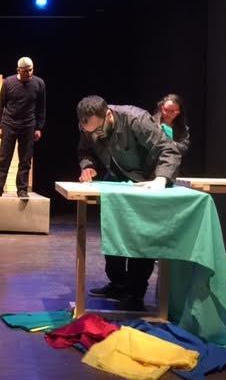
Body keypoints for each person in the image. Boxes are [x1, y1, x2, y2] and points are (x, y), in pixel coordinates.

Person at [76, 95, 181, 311]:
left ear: (108, 115)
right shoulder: (88, 125)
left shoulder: (135, 119)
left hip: (146, 181)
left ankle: (135, 293)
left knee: (140, 237)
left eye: (98, 130)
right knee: (113, 230)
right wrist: (88, 166)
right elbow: (85, 151)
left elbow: (169, 150)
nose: (95, 135)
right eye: (90, 131)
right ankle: (117, 284)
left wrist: (161, 179)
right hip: (117, 180)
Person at [0, 56, 46, 199]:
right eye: (26, 71)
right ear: (18, 70)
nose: (29, 73)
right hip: (9, 124)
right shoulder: (9, 82)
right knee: (4, 158)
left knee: (25, 160)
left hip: (28, 126)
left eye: (31, 70)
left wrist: (39, 127)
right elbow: (0, 106)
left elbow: (41, 108)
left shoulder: (39, 83)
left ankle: (22, 190)